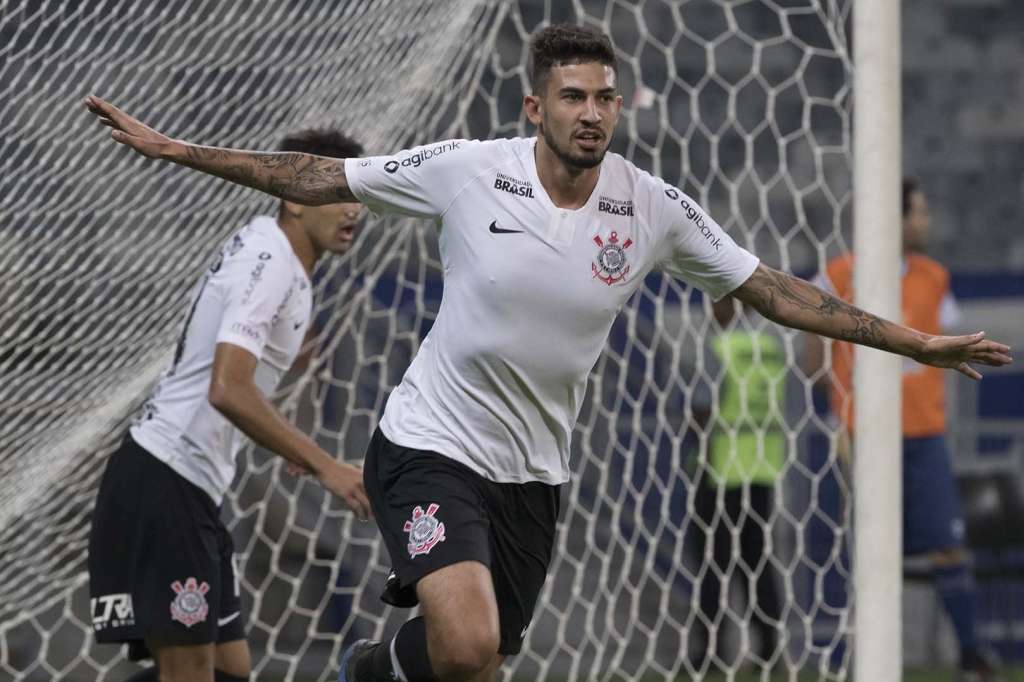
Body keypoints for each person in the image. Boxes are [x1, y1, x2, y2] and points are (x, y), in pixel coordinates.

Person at [83, 24, 1012, 682]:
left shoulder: (651, 206)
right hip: (426, 446)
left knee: (478, 665)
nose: (592, 112)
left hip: (534, 475)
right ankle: (368, 670)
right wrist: (178, 151)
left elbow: (779, 292)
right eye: (573, 96)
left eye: (605, 96)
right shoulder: (466, 169)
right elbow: (317, 174)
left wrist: (913, 343)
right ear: (537, 105)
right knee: (466, 642)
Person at [87, 129, 372, 682]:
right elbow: (226, 388)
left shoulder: (285, 261)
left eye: (356, 195)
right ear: (292, 196)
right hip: (165, 480)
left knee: (230, 671)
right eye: (337, 191)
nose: (352, 210)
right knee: (191, 672)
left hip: (188, 487)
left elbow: (234, 388)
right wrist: (324, 465)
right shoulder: (268, 259)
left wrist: (281, 438)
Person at [804, 178, 1003, 682]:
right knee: (856, 547)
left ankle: (970, 657)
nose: (927, 222)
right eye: (919, 212)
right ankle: (843, 660)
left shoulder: (933, 277)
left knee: (948, 544)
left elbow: (950, 339)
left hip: (922, 435)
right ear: (893, 218)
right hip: (862, 437)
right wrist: (837, 399)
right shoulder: (840, 274)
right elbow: (810, 347)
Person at [690, 296, 786, 672]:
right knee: (759, 562)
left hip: (720, 467)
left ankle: (710, 652)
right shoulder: (769, 347)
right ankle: (770, 648)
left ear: (734, 306)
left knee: (713, 563)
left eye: (717, 301)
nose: (711, 310)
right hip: (762, 465)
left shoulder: (719, 346)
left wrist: (692, 433)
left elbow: (702, 407)